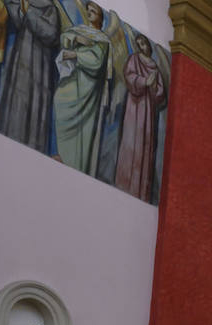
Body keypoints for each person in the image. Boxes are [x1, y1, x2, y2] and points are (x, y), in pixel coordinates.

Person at [0, 0, 61, 151]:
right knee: (17, 96)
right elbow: (17, 20)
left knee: (35, 102)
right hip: (21, 57)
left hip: (40, 64)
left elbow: (51, 34)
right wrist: (18, 8)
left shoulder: (50, 8)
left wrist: (28, 12)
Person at [52, 1, 110, 175]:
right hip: (71, 79)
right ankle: (61, 154)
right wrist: (76, 38)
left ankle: (74, 163)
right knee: (59, 100)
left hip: (87, 87)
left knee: (83, 129)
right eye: (88, 10)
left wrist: (76, 54)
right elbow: (65, 38)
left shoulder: (103, 40)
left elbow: (97, 61)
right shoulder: (79, 30)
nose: (90, 13)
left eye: (94, 11)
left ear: (100, 18)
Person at [113, 32, 167, 202]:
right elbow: (129, 77)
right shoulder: (134, 60)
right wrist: (144, 82)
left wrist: (153, 88)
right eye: (139, 43)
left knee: (144, 145)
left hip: (148, 111)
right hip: (134, 107)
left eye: (144, 43)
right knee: (130, 141)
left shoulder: (155, 68)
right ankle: (123, 184)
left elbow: (160, 94)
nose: (142, 46)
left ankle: (140, 190)